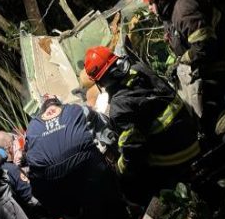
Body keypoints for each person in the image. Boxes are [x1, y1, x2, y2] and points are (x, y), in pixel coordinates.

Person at [139, 0, 225, 145]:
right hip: (208, 60)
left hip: (222, 60)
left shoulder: (183, 10)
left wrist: (185, 61)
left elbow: (205, 46)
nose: (149, 8)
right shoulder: (170, 12)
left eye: (151, 2)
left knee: (206, 106)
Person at [84, 46, 201, 205]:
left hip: (176, 157)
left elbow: (134, 152)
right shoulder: (139, 69)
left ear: (100, 81)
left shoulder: (119, 107)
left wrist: (120, 168)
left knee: (132, 183)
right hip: (192, 134)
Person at [24, 94, 132, 219]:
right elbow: (107, 132)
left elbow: (30, 159)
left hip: (54, 181)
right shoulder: (76, 108)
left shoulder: (32, 127)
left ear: (42, 111)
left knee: (72, 215)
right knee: (109, 202)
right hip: (88, 167)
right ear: (59, 104)